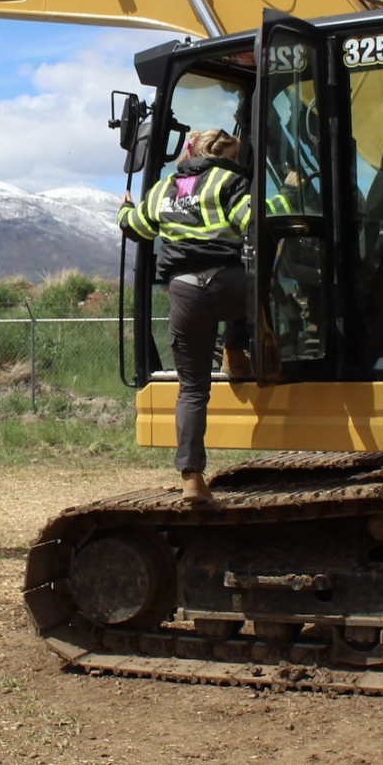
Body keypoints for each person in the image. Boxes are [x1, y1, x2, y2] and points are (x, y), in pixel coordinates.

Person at [118, 128, 252, 505]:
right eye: (236, 156)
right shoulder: (231, 180)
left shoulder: (163, 189)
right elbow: (254, 223)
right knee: (259, 285)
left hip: (185, 294)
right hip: (229, 286)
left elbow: (137, 226)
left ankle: (192, 479)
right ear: (222, 155)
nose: (239, 163)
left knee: (192, 391)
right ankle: (236, 353)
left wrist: (124, 209)